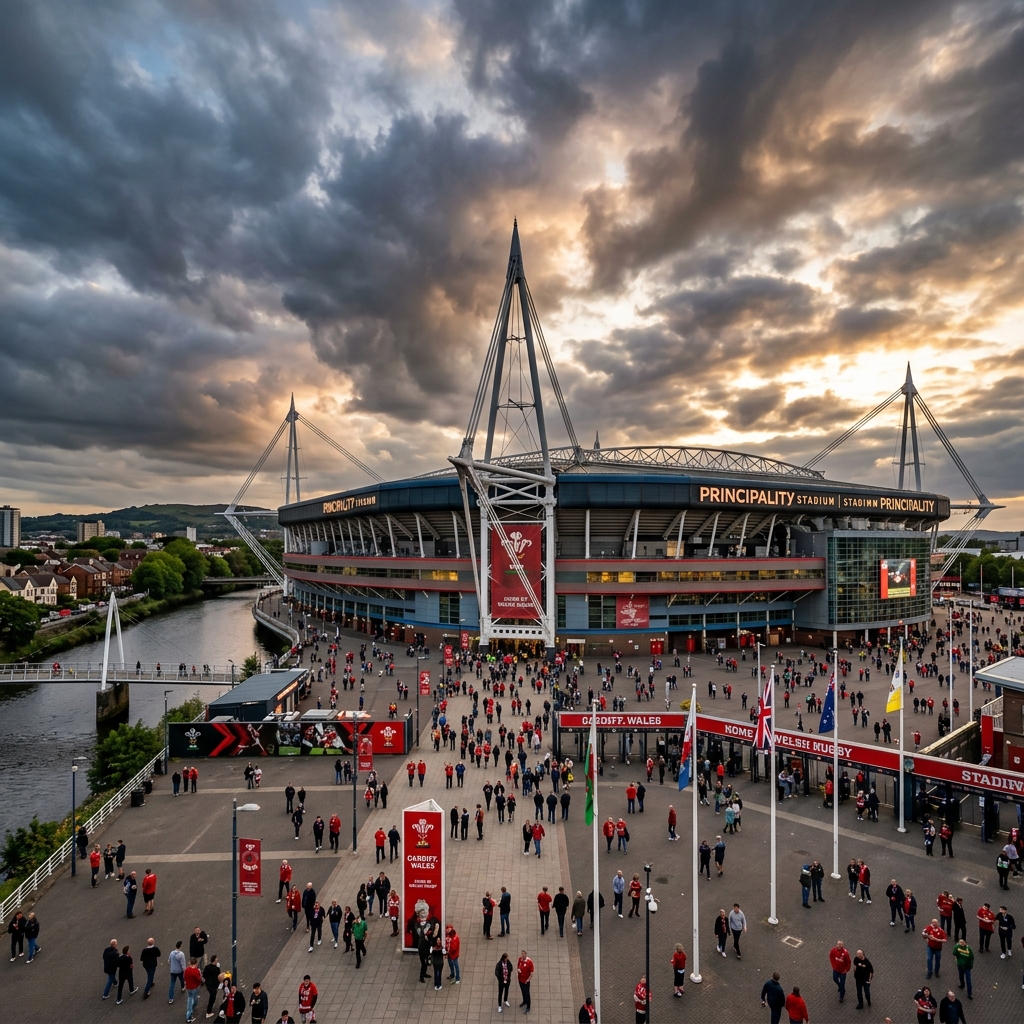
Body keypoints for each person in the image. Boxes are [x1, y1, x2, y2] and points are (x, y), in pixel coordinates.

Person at [829, 938, 851, 1003]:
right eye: (838, 944)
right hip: (836, 970)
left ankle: (841, 996)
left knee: (842, 984)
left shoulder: (845, 953)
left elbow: (848, 962)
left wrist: (846, 970)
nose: (839, 945)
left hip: (842, 972)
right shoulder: (833, 950)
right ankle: (840, 987)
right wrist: (833, 965)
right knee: (835, 979)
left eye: (840, 944)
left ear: (842, 945)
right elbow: (831, 957)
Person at [184, 957, 203, 1022]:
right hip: (194, 987)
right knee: (193, 1000)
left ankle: (190, 1010)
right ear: (196, 963)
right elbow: (199, 979)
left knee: (190, 998)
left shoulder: (186, 970)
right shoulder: (196, 971)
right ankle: (189, 1016)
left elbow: (185, 977)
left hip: (188, 987)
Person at [517, 949, 534, 1013]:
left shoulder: (529, 962)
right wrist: (518, 970)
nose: (523, 956)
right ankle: (524, 1001)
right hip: (520, 979)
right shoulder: (520, 959)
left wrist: (528, 980)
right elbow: (518, 966)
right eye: (522, 954)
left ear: (526, 955)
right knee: (523, 992)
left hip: (526, 981)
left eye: (524, 954)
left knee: (527, 993)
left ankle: (528, 1006)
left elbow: (531, 973)